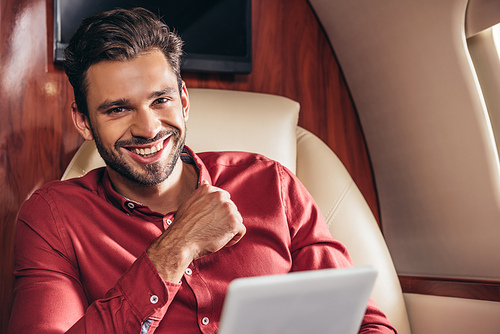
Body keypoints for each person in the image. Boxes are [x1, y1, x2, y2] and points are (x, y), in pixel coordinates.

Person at [8, 7, 396, 334]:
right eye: (118, 109)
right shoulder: (52, 218)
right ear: (84, 123)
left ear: (184, 101)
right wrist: (176, 247)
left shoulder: (272, 185)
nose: (148, 128)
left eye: (160, 100)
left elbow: (368, 324)